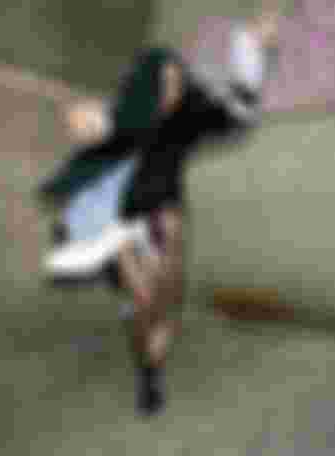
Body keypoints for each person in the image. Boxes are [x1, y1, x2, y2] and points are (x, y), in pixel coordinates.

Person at [36, 8, 281, 416]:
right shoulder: (129, 116)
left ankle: (150, 368)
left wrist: (252, 53)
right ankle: (135, 320)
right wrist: (88, 123)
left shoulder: (190, 117)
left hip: (167, 216)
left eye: (175, 82)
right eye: (162, 83)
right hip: (123, 223)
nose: (169, 90)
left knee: (164, 307)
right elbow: (96, 130)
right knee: (144, 298)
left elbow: (239, 116)